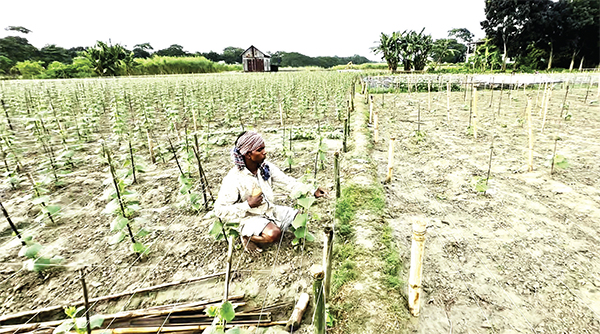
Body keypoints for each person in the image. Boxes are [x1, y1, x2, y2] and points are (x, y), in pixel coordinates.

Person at [214, 131, 327, 254]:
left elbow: (287, 182)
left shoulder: (265, 167)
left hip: (270, 211)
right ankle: (247, 237)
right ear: (248, 155)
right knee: (274, 234)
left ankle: (268, 226)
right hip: (249, 217)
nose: (264, 152)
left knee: (300, 218)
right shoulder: (234, 178)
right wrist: (248, 205)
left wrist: (312, 190)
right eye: (259, 149)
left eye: (264, 148)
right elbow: (219, 210)